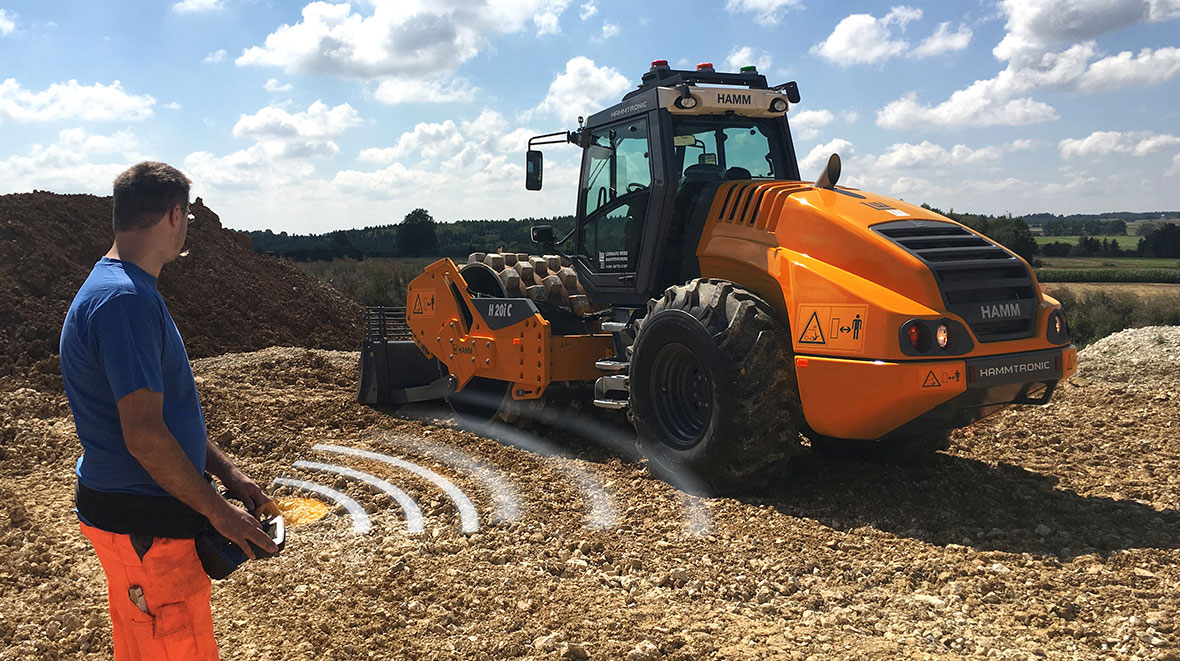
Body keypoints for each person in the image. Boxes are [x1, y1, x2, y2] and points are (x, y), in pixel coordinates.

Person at [60, 161, 278, 660]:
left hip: (136, 519)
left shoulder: (119, 289)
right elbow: (145, 436)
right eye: (188, 218)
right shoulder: (125, 301)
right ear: (175, 214)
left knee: (143, 645)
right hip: (147, 525)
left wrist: (229, 474)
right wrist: (220, 513)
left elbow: (165, 418)